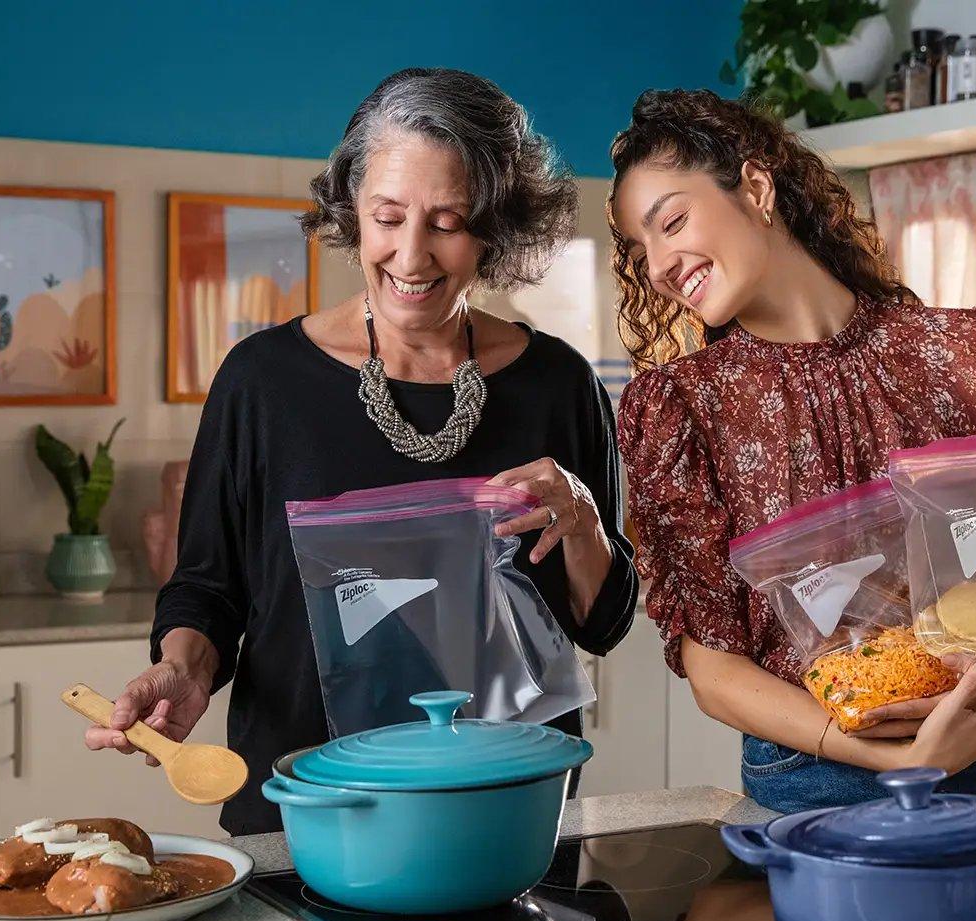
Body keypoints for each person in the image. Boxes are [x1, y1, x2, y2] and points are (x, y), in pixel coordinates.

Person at [607, 89, 976, 898]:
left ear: (756, 190)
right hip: (818, 784)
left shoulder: (975, 352)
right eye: (639, 246)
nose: (657, 264)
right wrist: (889, 755)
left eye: (671, 222)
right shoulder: (678, 410)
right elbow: (710, 663)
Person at [85, 68, 637, 835]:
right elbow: (208, 589)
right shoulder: (263, 381)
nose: (411, 256)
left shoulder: (558, 384)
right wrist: (184, 671)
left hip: (504, 812)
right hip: (308, 812)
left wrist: (582, 521)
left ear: (494, 226)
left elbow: (603, 622)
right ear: (351, 212)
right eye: (388, 217)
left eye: (447, 222)